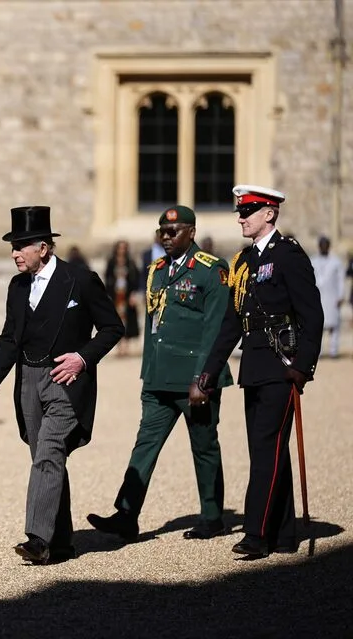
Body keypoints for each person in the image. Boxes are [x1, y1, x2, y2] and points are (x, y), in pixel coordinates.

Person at [0, 206, 124, 564]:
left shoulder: (81, 280)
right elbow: (10, 338)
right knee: (48, 459)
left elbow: (112, 328)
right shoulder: (17, 286)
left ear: (44, 248)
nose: (14, 252)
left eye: (22, 245)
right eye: (13, 245)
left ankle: (37, 539)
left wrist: (82, 358)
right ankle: (61, 543)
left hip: (66, 381)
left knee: (48, 454)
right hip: (27, 381)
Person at [193, 185, 324, 558]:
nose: (241, 217)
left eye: (248, 209)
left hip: (282, 367)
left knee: (266, 450)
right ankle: (284, 535)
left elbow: (311, 314)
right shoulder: (244, 262)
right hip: (254, 366)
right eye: (240, 210)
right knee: (268, 451)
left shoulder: (288, 255)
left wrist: (303, 366)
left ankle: (256, 533)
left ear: (270, 213)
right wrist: (210, 370)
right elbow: (232, 323)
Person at [88, 206, 231, 542]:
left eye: (173, 232)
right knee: (145, 445)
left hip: (195, 380)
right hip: (160, 378)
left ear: (191, 233)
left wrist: (203, 379)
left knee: (204, 447)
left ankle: (212, 516)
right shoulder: (156, 271)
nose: (166, 238)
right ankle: (126, 513)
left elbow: (215, 330)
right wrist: (147, 377)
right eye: (161, 233)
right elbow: (154, 329)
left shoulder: (211, 271)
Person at [104, 240, 141, 356]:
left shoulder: (130, 262)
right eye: (120, 248)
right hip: (116, 295)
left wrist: (134, 294)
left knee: (128, 320)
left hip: (127, 294)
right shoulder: (112, 262)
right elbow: (107, 278)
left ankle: (126, 346)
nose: (122, 250)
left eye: (124, 248)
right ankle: (120, 346)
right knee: (117, 320)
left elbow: (136, 279)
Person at [310, 236, 344, 358]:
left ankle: (333, 351)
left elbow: (341, 280)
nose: (324, 247)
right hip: (318, 298)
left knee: (334, 326)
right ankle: (318, 352)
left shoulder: (336, 262)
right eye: (322, 244)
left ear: (328, 246)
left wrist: (341, 295)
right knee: (317, 325)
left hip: (332, 297)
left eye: (326, 244)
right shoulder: (312, 261)